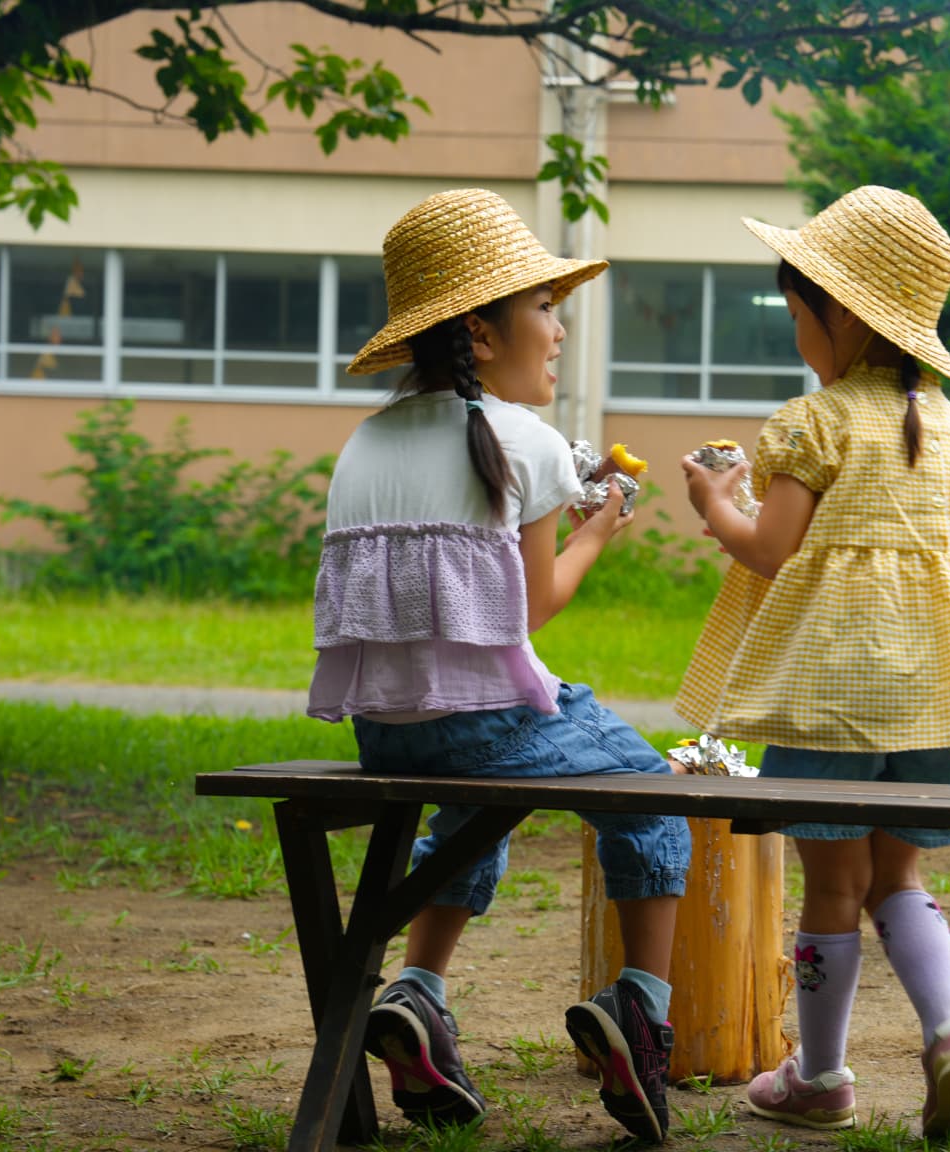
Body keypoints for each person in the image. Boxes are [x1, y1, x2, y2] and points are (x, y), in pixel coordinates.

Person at [311, 188, 691, 1144]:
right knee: (652, 788)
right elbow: (533, 608)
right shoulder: (522, 442)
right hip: (491, 722)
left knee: (476, 811)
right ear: (481, 333)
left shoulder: (365, 441)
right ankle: (641, 1009)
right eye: (544, 309)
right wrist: (598, 528)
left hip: (388, 729)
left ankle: (421, 992)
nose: (558, 331)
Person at [676, 186, 950, 1137]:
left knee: (832, 889)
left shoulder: (814, 421)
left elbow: (769, 548)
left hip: (830, 698)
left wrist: (712, 501)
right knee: (899, 882)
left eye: (796, 309)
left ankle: (819, 1077)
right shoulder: (947, 429)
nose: (796, 333)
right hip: (933, 700)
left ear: (842, 315)